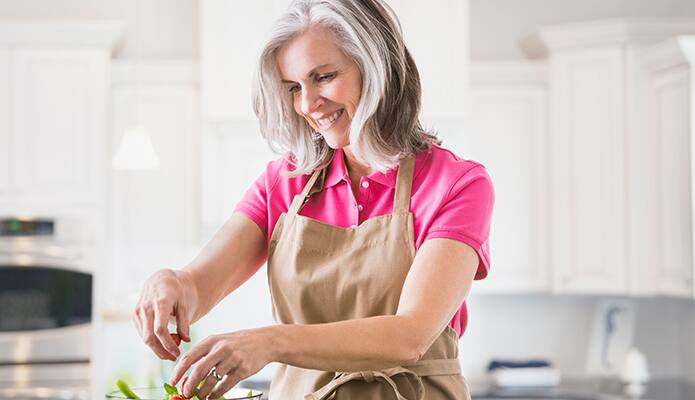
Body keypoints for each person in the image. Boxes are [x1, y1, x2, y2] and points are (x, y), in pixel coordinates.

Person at [133, 0, 494, 398]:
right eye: (293, 88)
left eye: (323, 77)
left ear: (378, 68)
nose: (307, 105)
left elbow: (410, 334)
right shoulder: (284, 183)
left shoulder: (457, 184)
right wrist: (168, 283)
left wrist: (270, 342)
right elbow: (198, 286)